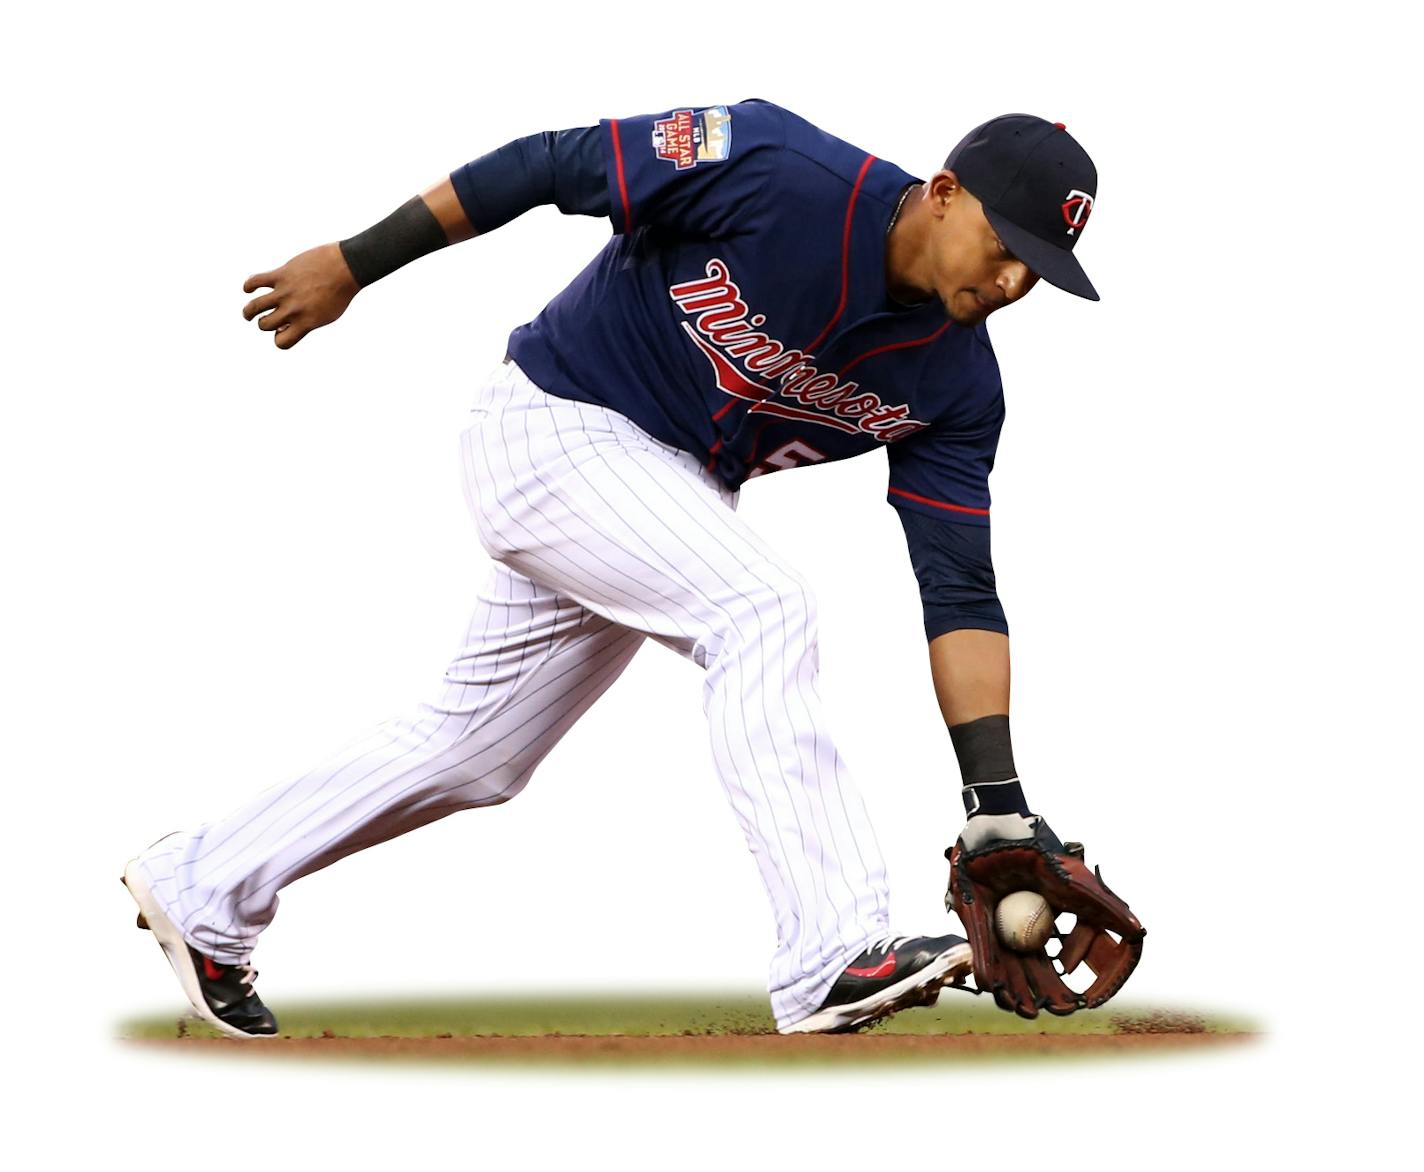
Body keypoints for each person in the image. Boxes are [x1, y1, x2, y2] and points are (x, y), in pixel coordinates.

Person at [123, 99, 1109, 1038]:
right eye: (1006, 245)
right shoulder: (778, 166)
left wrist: (993, 799)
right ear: (943, 192)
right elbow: (552, 160)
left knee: (475, 751)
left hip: (655, 496)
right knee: (762, 608)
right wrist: (354, 261)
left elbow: (959, 591)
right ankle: (831, 949)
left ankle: (203, 885)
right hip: (556, 421)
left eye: (1040, 268)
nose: (1014, 282)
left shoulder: (958, 383)